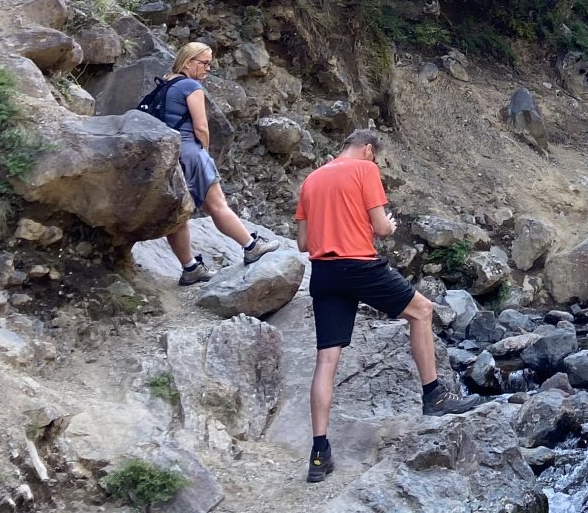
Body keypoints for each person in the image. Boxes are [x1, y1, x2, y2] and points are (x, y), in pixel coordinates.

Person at [294, 127, 473, 484]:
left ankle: (318, 453)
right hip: (358, 265)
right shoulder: (365, 170)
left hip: (324, 272)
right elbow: (381, 227)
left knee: (327, 359)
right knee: (421, 311)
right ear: (369, 150)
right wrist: (386, 225)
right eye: (375, 155)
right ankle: (433, 396)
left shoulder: (312, 180)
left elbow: (302, 242)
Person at [154, 41, 277, 284]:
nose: (208, 68)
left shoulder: (165, 83)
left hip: (169, 155)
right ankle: (251, 246)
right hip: (190, 150)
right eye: (204, 63)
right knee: (217, 205)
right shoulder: (190, 86)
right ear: (189, 62)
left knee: (180, 213)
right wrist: (205, 153)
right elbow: (201, 126)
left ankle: (190, 268)